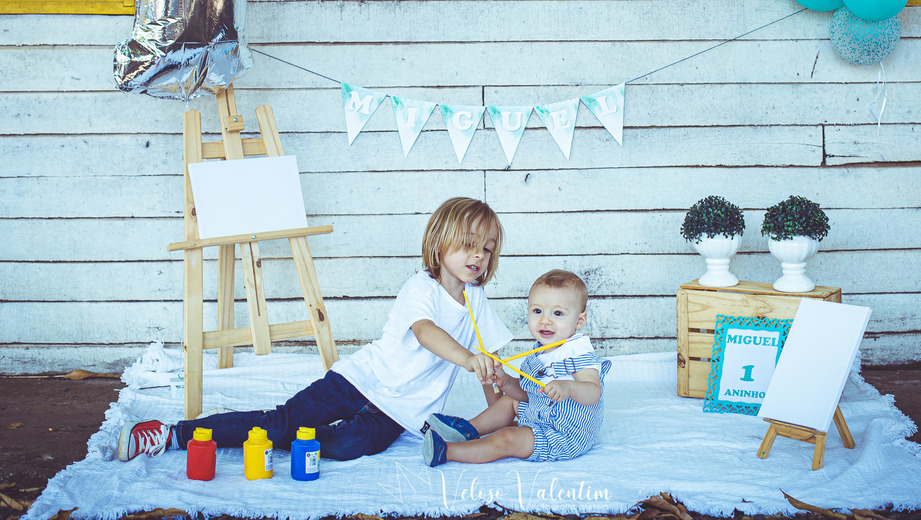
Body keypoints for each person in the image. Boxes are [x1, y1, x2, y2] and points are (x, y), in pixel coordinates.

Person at [117, 196, 512, 462]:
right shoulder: (421, 287)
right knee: (280, 425)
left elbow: (491, 362)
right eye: (468, 244)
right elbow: (427, 332)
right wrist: (467, 359)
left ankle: (242, 426)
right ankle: (175, 434)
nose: (479, 255)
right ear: (440, 245)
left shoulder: (476, 300)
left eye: (488, 247)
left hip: (401, 411)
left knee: (348, 445)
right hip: (358, 380)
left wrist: (508, 399)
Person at [422, 268, 611, 466]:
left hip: (563, 435)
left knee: (508, 438)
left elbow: (593, 392)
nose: (545, 320)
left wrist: (569, 387)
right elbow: (526, 394)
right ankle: (468, 429)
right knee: (510, 399)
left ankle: (447, 451)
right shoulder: (540, 351)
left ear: (579, 321)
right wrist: (505, 380)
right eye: (537, 311)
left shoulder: (577, 351)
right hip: (541, 416)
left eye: (557, 313)